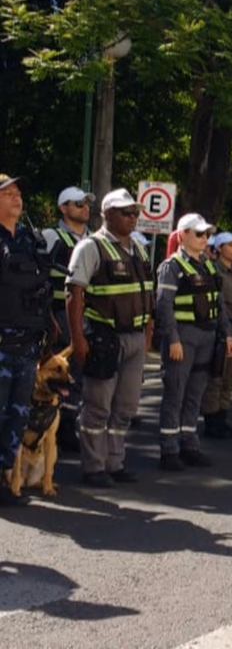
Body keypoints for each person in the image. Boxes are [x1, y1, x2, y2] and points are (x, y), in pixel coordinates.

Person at [66, 188, 154, 487]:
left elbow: (147, 294)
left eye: (135, 213)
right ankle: (93, 466)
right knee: (97, 404)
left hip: (135, 338)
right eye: (125, 212)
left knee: (126, 406)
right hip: (104, 336)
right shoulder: (92, 247)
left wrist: (148, 335)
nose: (132, 218)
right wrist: (78, 339)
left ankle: (115, 462)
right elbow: (74, 293)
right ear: (107, 214)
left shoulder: (139, 249)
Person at [155, 213, 232, 471]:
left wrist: (227, 332)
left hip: (207, 336)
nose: (204, 238)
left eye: (207, 234)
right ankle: (169, 449)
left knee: (195, 395)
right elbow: (164, 306)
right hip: (184, 336)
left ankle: (189, 443)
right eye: (199, 234)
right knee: (175, 392)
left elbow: (218, 302)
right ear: (183, 235)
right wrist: (173, 339)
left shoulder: (208, 265)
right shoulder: (172, 266)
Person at [0, 174, 54, 506]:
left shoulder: (31, 239)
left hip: (28, 345)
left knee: (17, 416)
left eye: (19, 194)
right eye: (8, 194)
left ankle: (7, 479)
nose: (17, 199)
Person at [42, 185, 94, 453]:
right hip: (59, 315)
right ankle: (51, 426)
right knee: (57, 372)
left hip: (87, 315)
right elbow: (40, 279)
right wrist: (48, 316)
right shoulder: (51, 236)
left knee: (79, 374)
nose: (84, 207)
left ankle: (69, 426)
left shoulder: (94, 240)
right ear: (63, 208)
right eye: (77, 203)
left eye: (86, 203)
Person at [201, 231, 232, 440]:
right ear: (219, 248)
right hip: (221, 327)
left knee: (230, 375)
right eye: (229, 245)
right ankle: (212, 419)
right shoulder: (214, 271)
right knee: (217, 374)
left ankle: (223, 415)